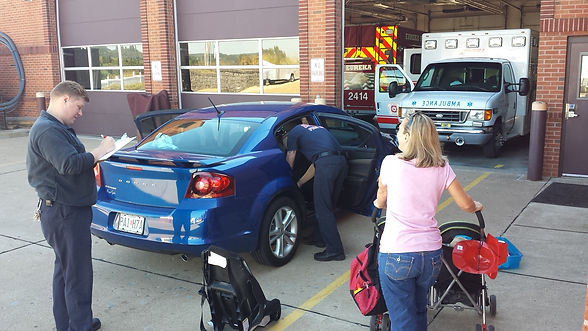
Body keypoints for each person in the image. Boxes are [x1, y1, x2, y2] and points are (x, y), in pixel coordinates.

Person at [373, 112, 483, 331]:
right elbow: (465, 204)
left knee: (402, 318)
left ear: (409, 136)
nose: (397, 134)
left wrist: (377, 204)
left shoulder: (390, 163)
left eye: (400, 130)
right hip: (430, 255)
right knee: (419, 310)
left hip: (397, 252)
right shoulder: (442, 166)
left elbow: (381, 199)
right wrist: (475, 206)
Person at [26, 81, 115, 331]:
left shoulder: (57, 128)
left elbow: (71, 162)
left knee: (66, 270)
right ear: (64, 99)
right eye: (78, 106)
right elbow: (69, 164)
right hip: (64, 212)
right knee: (77, 273)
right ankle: (79, 326)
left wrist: (97, 154)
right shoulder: (47, 131)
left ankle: (70, 323)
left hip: (65, 210)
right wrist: (99, 151)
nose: (80, 113)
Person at [285, 122, 348, 261]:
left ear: (286, 134)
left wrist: (287, 177)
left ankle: (335, 250)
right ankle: (320, 239)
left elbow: (291, 155)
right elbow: (317, 163)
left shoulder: (293, 133)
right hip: (340, 162)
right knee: (328, 205)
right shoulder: (314, 129)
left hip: (326, 164)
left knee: (323, 209)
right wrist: (300, 182)